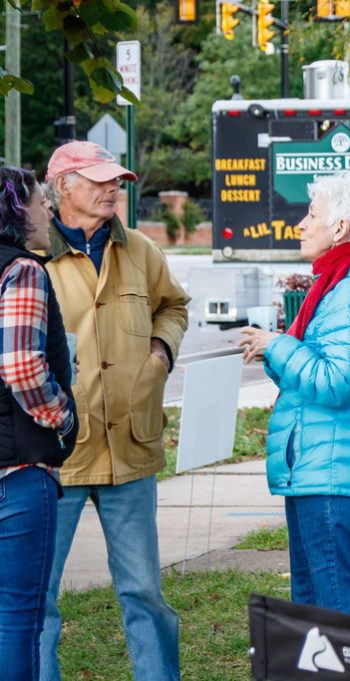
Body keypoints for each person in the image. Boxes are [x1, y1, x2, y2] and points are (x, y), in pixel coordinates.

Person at [38, 141, 190, 681]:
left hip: (130, 447)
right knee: (38, 598)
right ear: (64, 188)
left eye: (116, 179)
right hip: (56, 455)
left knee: (144, 591)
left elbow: (174, 305)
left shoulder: (143, 251)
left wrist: (159, 353)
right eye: (99, 179)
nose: (113, 188)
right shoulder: (31, 259)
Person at [238, 172, 350, 620]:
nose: (301, 223)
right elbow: (311, 379)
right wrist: (273, 350)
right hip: (318, 465)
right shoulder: (334, 282)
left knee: (338, 608)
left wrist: (279, 345)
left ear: (340, 228)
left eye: (312, 213)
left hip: (333, 470)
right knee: (315, 609)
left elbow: (337, 382)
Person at [0, 168, 78, 681]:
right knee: (16, 620)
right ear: (13, 211)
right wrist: (62, 419)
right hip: (20, 473)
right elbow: (22, 366)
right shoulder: (24, 271)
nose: (48, 212)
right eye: (38, 203)